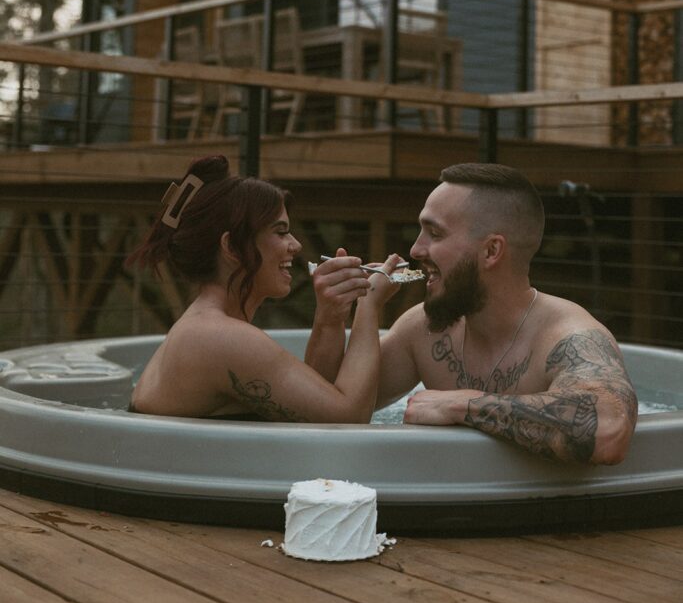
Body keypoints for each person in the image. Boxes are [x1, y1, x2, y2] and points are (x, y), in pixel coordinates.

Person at [311, 163, 638, 464]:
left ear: (491, 251)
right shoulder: (422, 330)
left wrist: (462, 404)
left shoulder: (568, 336)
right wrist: (337, 315)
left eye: (435, 233)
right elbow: (321, 414)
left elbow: (608, 429)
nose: (415, 249)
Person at [127, 155, 399, 422]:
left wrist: (330, 316)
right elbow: (348, 417)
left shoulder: (203, 327)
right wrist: (369, 303)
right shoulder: (219, 337)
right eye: (280, 232)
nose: (296, 245)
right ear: (232, 247)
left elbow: (315, 411)